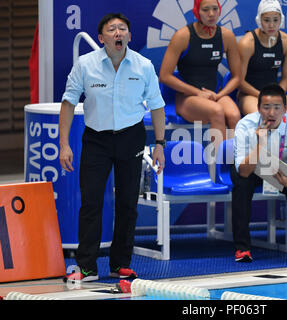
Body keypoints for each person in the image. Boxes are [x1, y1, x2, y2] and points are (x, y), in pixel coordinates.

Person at [59, 13, 166, 282]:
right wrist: (63, 144)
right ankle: (86, 266)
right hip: (96, 139)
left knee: (128, 203)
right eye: (112, 29)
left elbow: (157, 105)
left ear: (129, 35)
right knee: (91, 202)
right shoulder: (85, 65)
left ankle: (120, 264)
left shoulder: (143, 66)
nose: (118, 33)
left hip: (131, 137)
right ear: (101, 38)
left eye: (122, 29)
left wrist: (160, 145)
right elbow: (69, 103)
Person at [231, 83, 287, 262]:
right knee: (241, 184)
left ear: (285, 109)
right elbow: (243, 171)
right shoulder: (245, 125)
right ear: (258, 108)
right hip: (251, 168)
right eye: (266, 107)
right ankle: (242, 248)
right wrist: (260, 143)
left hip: (278, 170)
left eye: (277, 108)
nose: (271, 113)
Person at [237, 0, 287, 174]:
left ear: (281, 20)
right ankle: (268, 171)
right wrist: (264, 98)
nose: (271, 25)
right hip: (250, 93)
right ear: (259, 20)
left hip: (274, 94)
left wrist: (276, 98)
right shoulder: (247, 43)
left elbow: (286, 78)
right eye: (267, 20)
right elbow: (239, 80)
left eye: (275, 20)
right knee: (260, 116)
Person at [159, 0, 241, 153]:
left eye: (215, 9)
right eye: (205, 10)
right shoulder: (183, 36)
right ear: (197, 11)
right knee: (216, 111)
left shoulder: (226, 36)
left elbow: (237, 77)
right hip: (187, 98)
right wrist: (198, 93)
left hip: (215, 94)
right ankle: (220, 168)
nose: (211, 14)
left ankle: (233, 167)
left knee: (234, 115)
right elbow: (164, 76)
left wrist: (219, 95)